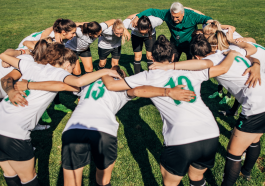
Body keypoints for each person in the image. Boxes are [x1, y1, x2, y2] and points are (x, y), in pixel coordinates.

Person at [14, 65, 195, 186]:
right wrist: (168, 92)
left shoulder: (88, 84)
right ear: (121, 77)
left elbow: (61, 85)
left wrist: (29, 84)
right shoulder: (122, 88)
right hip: (103, 131)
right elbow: (141, 90)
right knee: (103, 178)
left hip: (74, 128)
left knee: (71, 178)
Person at [99, 35, 243, 186]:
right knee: (196, 177)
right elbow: (222, 68)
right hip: (210, 133)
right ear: (173, 56)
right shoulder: (191, 71)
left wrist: (103, 71)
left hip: (181, 138)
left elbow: (112, 86)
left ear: (151, 58)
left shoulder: (147, 75)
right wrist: (233, 53)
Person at [0, 43, 122, 186]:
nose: (72, 70)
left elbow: (3, 56)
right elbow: (78, 82)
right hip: (14, 132)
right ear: (66, 64)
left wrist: (11, 91)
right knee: (28, 179)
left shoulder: (30, 65)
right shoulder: (60, 74)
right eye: (72, 66)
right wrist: (105, 71)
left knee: (9, 173)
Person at [151, 33, 262, 186]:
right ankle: (247, 172)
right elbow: (251, 49)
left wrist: (169, 66)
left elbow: (207, 65)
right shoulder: (227, 51)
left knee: (233, 153)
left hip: (256, 106)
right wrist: (254, 63)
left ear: (196, 57)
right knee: (254, 138)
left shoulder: (213, 61)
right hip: (261, 99)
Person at [131, 2, 213, 61]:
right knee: (172, 63)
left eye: (177, 17)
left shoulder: (192, 16)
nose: (174, 19)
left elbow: (207, 19)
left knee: (190, 64)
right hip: (175, 44)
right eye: (172, 16)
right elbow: (152, 11)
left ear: (183, 13)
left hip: (190, 44)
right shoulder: (167, 14)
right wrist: (138, 16)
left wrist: (207, 30)